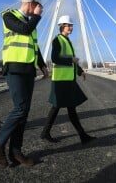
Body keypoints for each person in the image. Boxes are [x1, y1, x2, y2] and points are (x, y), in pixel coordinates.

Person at [0, 0, 49, 168]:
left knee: (24, 113)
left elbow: (34, 46)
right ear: (31, 3)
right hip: (15, 68)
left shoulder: (30, 22)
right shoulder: (9, 16)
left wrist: (42, 66)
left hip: (28, 70)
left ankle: (16, 151)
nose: (39, 10)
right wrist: (37, 17)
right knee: (20, 108)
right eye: (39, 6)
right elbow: (23, 30)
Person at [40, 15, 96, 145]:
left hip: (67, 79)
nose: (71, 27)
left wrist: (80, 71)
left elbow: (71, 61)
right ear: (62, 26)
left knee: (67, 108)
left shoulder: (67, 41)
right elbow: (54, 59)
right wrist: (71, 60)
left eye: (71, 25)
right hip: (61, 80)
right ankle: (81, 136)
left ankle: (81, 135)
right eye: (68, 25)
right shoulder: (57, 40)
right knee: (59, 107)